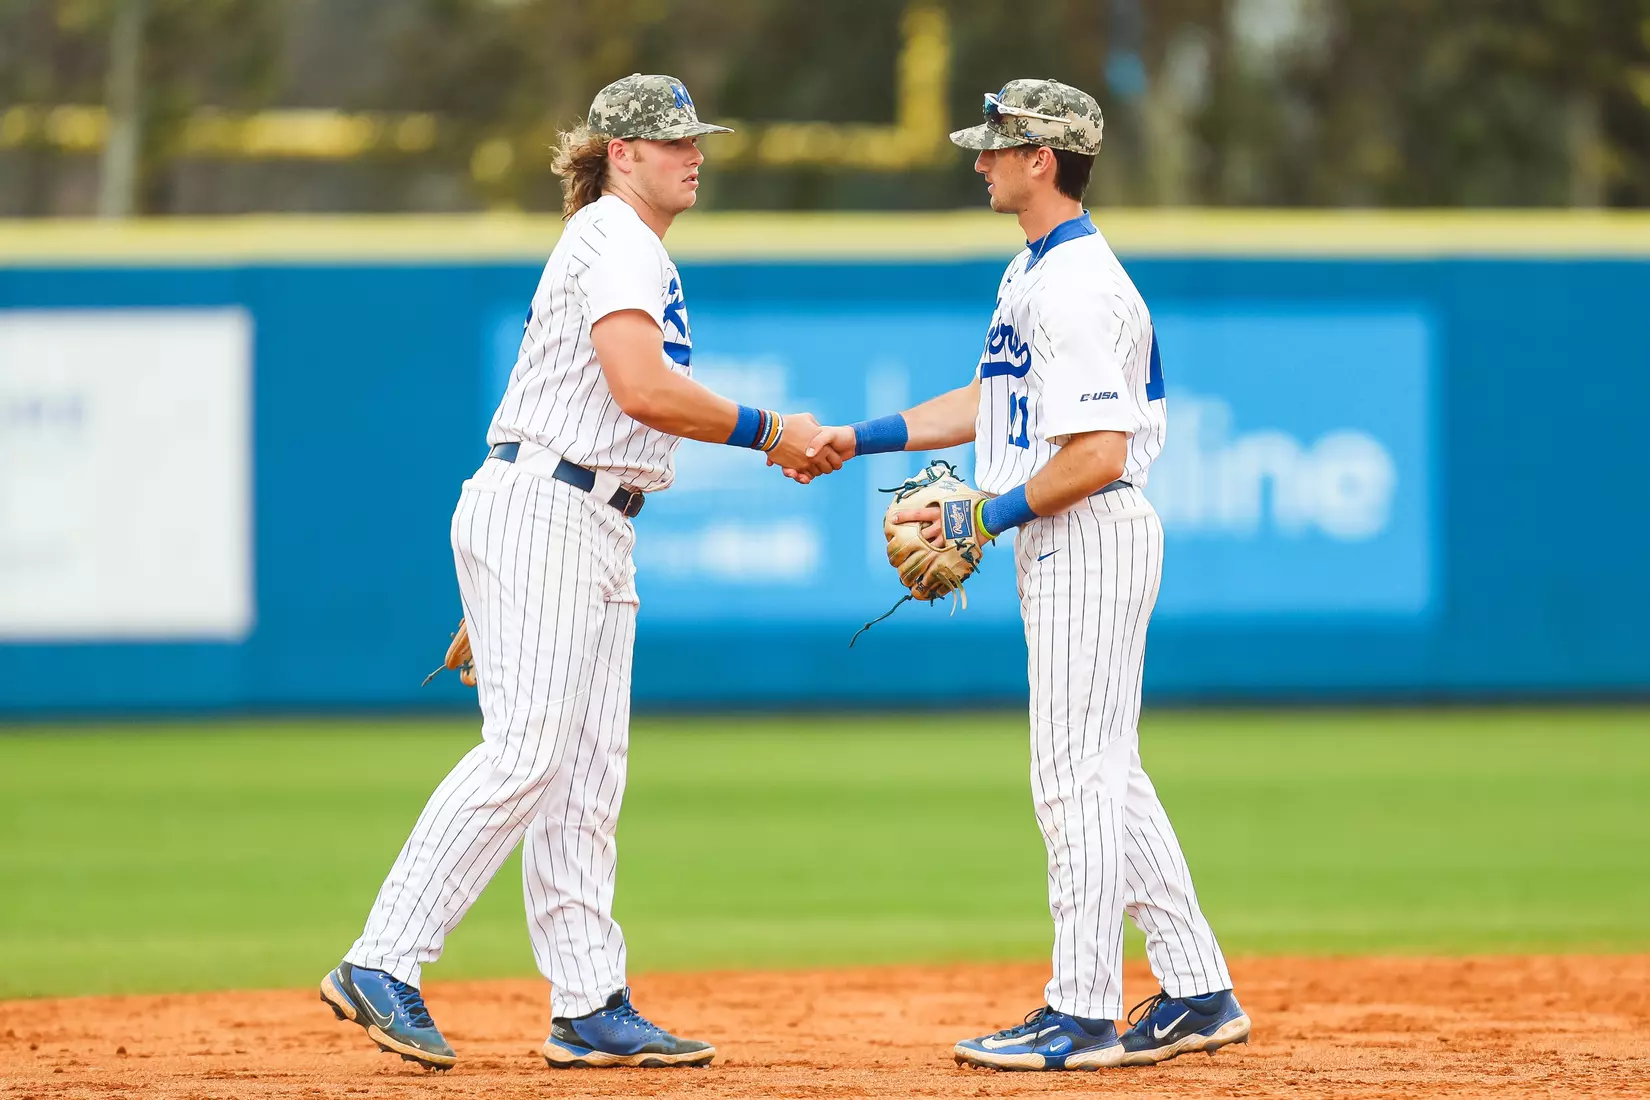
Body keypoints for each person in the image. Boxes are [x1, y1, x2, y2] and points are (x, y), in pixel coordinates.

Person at [319, 73, 840, 1072]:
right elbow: (640, 387)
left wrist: (500, 595)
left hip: (581, 519)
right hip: (551, 507)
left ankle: (588, 999)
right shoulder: (616, 237)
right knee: (528, 751)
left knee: (584, 778)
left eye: (698, 137)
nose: (695, 152)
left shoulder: (624, 243)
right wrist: (773, 430)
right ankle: (382, 957)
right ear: (619, 153)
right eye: (672, 139)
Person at [795, 78, 1249, 1072]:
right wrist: (855, 437)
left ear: (1044, 160)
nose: (980, 159)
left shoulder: (1079, 285)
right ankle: (1197, 986)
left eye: (997, 147)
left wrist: (987, 515)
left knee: (1071, 776)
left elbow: (1095, 450)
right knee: (1107, 773)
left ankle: (1080, 1011)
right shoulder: (1037, 270)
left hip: (1084, 525)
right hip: (1068, 530)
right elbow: (987, 399)